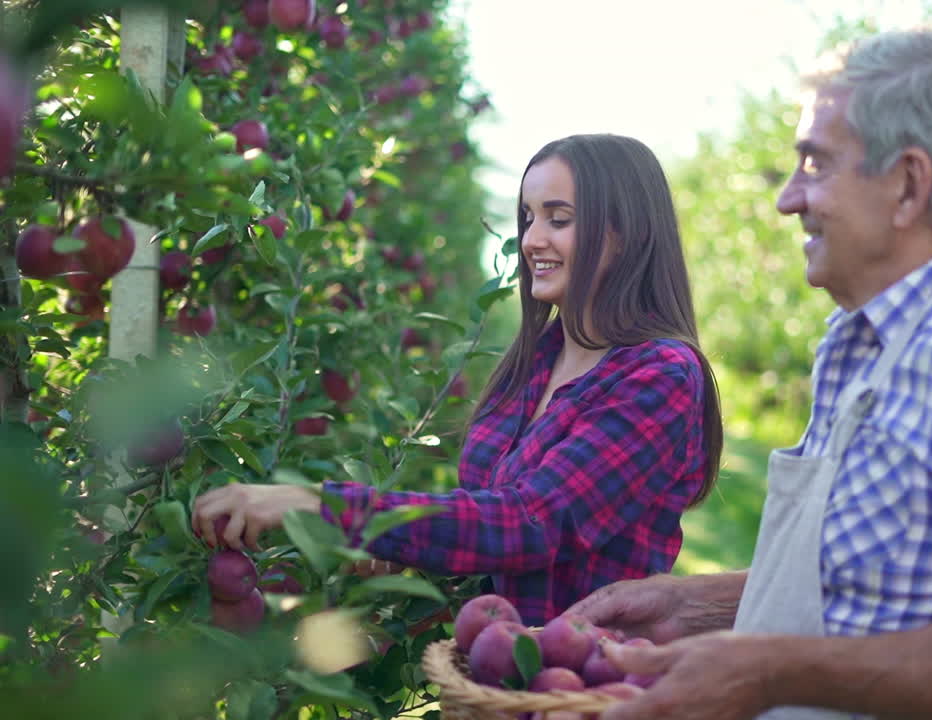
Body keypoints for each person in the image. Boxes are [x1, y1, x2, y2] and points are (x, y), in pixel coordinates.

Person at [568, 23, 932, 720]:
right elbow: (877, 585)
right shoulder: (862, 341)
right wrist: (703, 607)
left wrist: (768, 671)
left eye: (815, 164)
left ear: (907, 185)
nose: (788, 200)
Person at [192, 134, 724, 626]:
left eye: (558, 220)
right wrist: (404, 549)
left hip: (584, 683)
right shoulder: (538, 360)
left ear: (625, 234)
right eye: (527, 217)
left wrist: (319, 504)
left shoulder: (660, 376)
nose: (532, 239)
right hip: (489, 675)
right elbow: (485, 523)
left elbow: (530, 525)